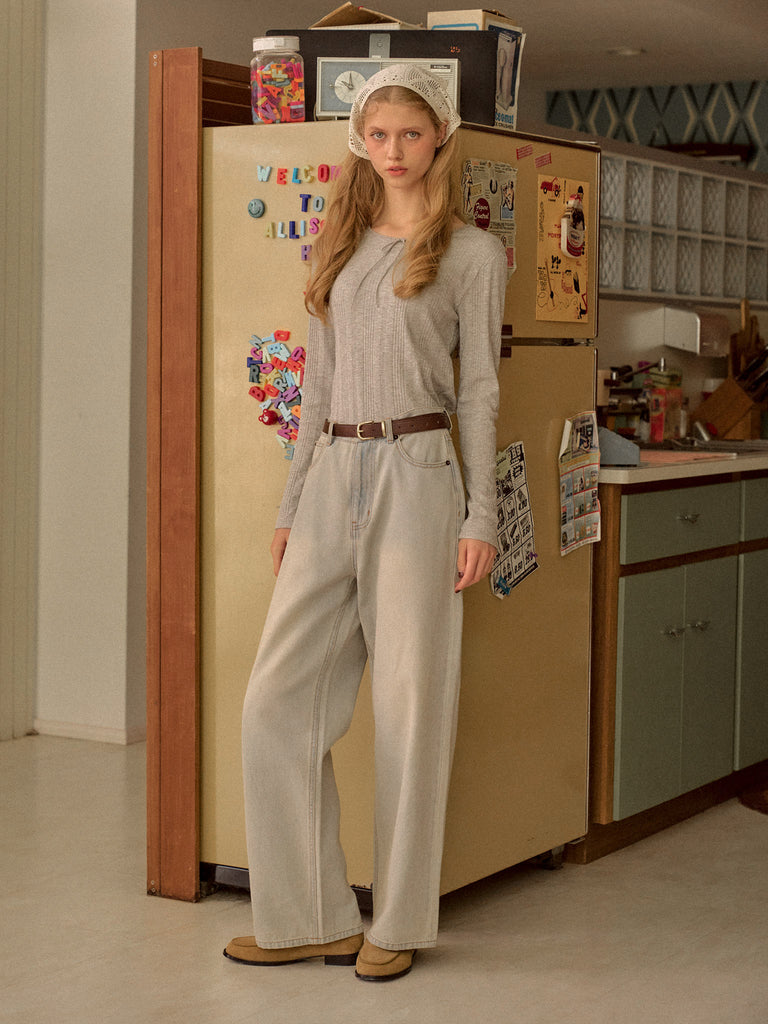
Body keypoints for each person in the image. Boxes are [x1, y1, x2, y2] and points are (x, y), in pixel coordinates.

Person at [224, 64, 508, 982]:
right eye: (377, 134)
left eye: (410, 134)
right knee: (276, 701)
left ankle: (399, 920)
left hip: (419, 475)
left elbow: (479, 391)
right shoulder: (338, 245)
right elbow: (317, 393)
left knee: (410, 706)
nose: (393, 150)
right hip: (331, 476)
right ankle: (308, 916)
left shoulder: (472, 255)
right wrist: (291, 504)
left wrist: (482, 515)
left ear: (439, 139)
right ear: (360, 140)